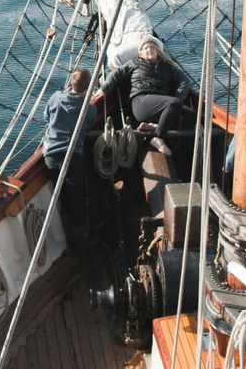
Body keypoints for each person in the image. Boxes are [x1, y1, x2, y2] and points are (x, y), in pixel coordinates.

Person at [98, 37, 196, 145]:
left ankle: (155, 127)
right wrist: (104, 89)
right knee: (174, 103)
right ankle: (157, 137)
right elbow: (117, 73)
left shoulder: (168, 66)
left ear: (157, 50)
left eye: (152, 47)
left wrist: (178, 98)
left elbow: (184, 80)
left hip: (163, 105)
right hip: (141, 103)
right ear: (141, 53)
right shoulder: (135, 62)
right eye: (146, 48)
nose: (149, 49)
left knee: (192, 115)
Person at [42, 67, 95, 240]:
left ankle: (66, 238)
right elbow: (88, 125)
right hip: (72, 157)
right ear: (88, 88)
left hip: (50, 156)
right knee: (76, 198)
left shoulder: (56, 97)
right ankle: (80, 241)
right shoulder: (89, 109)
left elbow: (46, 117)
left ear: (71, 83)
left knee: (62, 197)